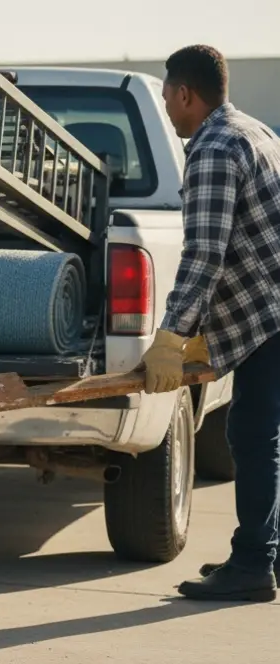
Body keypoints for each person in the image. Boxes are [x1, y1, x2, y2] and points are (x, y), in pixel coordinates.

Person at [138, 45, 280, 602]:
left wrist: (171, 337)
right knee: (262, 433)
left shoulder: (215, 148)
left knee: (252, 433)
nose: (168, 107)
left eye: (168, 95)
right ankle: (263, 550)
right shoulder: (255, 130)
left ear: (185, 94)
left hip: (269, 311)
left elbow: (204, 255)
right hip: (271, 303)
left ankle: (252, 566)